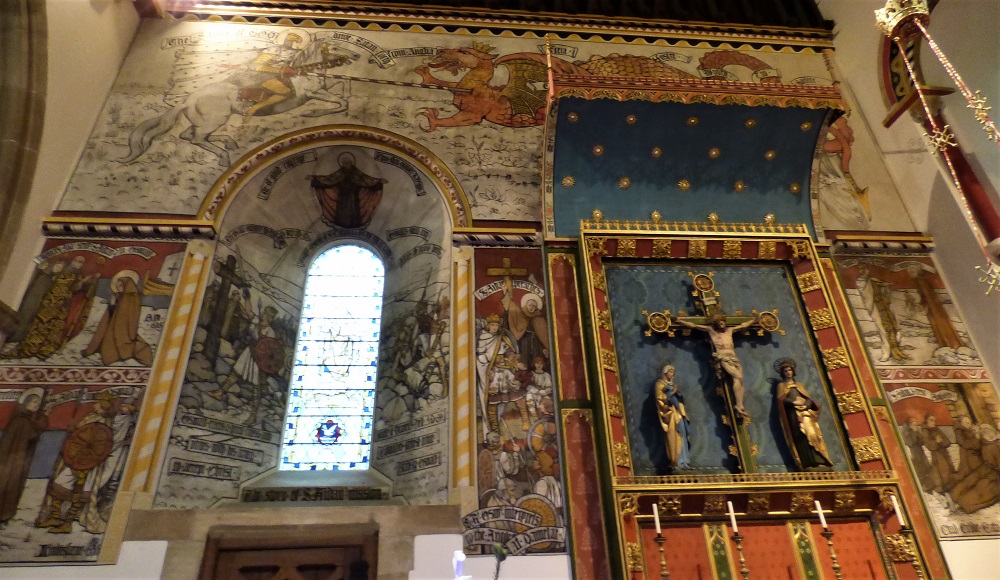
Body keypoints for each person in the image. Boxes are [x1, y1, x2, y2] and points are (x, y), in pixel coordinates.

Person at [36, 392, 118, 534]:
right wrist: (74, 430)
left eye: (97, 403)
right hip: (76, 458)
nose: (94, 405)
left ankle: (67, 523)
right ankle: (55, 517)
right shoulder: (91, 417)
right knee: (58, 485)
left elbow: (102, 443)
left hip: (87, 463)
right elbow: (80, 435)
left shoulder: (105, 422)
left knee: (78, 494)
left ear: (102, 405)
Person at [674, 312, 759, 420]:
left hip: (734, 358)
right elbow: (694, 325)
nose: (722, 324)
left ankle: (739, 405)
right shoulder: (711, 331)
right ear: (716, 324)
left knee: (739, 380)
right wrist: (680, 321)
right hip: (723, 358)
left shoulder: (730, 330)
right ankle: (738, 405)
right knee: (738, 377)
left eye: (723, 322)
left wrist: (753, 320)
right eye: (719, 322)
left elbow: (743, 325)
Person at [81, 271, 153, 366]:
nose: (118, 288)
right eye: (117, 285)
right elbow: (114, 312)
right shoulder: (119, 296)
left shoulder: (132, 297)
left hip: (124, 327)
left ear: (126, 285)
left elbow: (129, 313)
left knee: (122, 343)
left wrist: (116, 306)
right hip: (115, 324)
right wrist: (112, 304)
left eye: (120, 285)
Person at [774, 359, 833, 471]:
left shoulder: (799, 385)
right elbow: (781, 400)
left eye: (789, 370)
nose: (788, 373)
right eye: (785, 371)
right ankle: (807, 463)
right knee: (801, 437)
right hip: (793, 416)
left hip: (806, 414)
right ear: (782, 373)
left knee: (813, 434)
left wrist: (806, 405)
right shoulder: (781, 385)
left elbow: (808, 399)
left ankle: (820, 460)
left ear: (793, 371)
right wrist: (793, 403)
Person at [0, 388, 48, 525]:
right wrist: (43, 418)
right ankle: (4, 514)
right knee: (9, 485)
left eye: (38, 403)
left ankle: (5, 514)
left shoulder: (22, 419)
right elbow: (32, 434)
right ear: (26, 403)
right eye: (34, 402)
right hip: (14, 463)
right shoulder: (22, 421)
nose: (36, 405)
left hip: (14, 461)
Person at [241, 31, 308, 123]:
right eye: (290, 41)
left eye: (295, 42)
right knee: (285, 92)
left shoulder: (297, 53)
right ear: (285, 40)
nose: (292, 44)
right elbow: (255, 66)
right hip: (263, 75)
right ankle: (253, 109)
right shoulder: (274, 50)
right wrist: (280, 71)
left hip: (284, 76)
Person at [311, 152, 387, 229]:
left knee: (354, 212)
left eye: (348, 163)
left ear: (351, 163)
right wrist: (315, 179)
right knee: (342, 213)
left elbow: (367, 181)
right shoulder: (339, 173)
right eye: (345, 163)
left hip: (353, 198)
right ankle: (342, 225)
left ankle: (354, 225)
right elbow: (329, 180)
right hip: (342, 199)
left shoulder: (357, 173)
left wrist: (379, 182)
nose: (346, 164)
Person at [654, 364, 691, 471]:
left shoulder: (672, 384)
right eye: (670, 372)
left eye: (673, 372)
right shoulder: (659, 384)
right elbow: (660, 399)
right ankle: (677, 461)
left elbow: (680, 399)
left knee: (683, 435)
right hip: (670, 415)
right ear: (665, 373)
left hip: (679, 413)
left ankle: (685, 461)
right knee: (674, 437)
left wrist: (678, 394)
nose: (672, 374)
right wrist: (672, 393)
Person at [922, 413, 956, 495]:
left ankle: (951, 487)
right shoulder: (925, 431)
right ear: (926, 421)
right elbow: (929, 445)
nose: (933, 422)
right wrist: (936, 442)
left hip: (944, 453)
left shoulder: (937, 429)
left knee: (949, 469)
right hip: (936, 455)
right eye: (931, 420)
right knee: (941, 471)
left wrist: (941, 441)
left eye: (934, 420)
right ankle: (941, 488)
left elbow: (947, 441)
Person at [525, 356, 553, 421]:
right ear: (534, 364)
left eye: (541, 363)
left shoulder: (546, 375)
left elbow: (549, 387)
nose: (539, 365)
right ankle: (534, 416)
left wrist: (543, 392)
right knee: (529, 397)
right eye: (537, 363)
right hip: (534, 393)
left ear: (543, 365)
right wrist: (536, 391)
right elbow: (528, 386)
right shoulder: (531, 374)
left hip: (544, 395)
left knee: (546, 405)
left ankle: (544, 418)